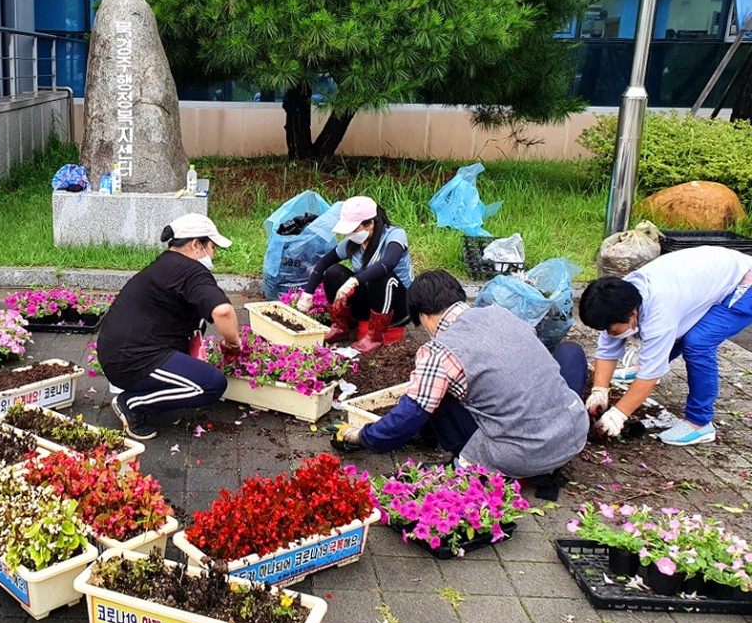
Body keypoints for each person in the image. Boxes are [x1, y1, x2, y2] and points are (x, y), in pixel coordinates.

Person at [334, 270, 589, 499]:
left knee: (434, 393)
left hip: (518, 455)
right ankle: (544, 465)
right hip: (571, 436)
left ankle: (468, 461)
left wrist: (362, 435)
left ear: (423, 317)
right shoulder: (501, 314)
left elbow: (407, 418)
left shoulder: (438, 351)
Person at [579, 245, 752, 446]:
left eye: (613, 330)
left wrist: (618, 415)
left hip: (744, 284)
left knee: (698, 343)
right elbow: (607, 348)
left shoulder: (660, 313)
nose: (610, 334)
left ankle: (700, 423)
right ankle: (640, 367)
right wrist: (599, 390)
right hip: (707, 277)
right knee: (674, 335)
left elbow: (650, 375)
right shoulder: (617, 297)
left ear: (634, 314)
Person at [97, 213, 243, 440]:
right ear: (197, 245)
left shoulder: (166, 264)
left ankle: (141, 389)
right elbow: (223, 311)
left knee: (196, 357)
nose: (213, 255)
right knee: (211, 384)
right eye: (212, 247)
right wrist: (233, 343)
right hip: (134, 360)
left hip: (120, 352)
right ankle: (132, 404)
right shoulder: (191, 270)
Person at [294, 196, 413, 353]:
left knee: (381, 275)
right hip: (369, 304)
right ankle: (340, 327)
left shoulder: (394, 235)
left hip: (397, 307)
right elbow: (324, 263)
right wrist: (308, 293)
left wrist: (355, 281)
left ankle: (375, 337)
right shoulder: (353, 243)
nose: (350, 234)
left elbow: (388, 263)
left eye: (354, 229)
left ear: (370, 224)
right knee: (334, 272)